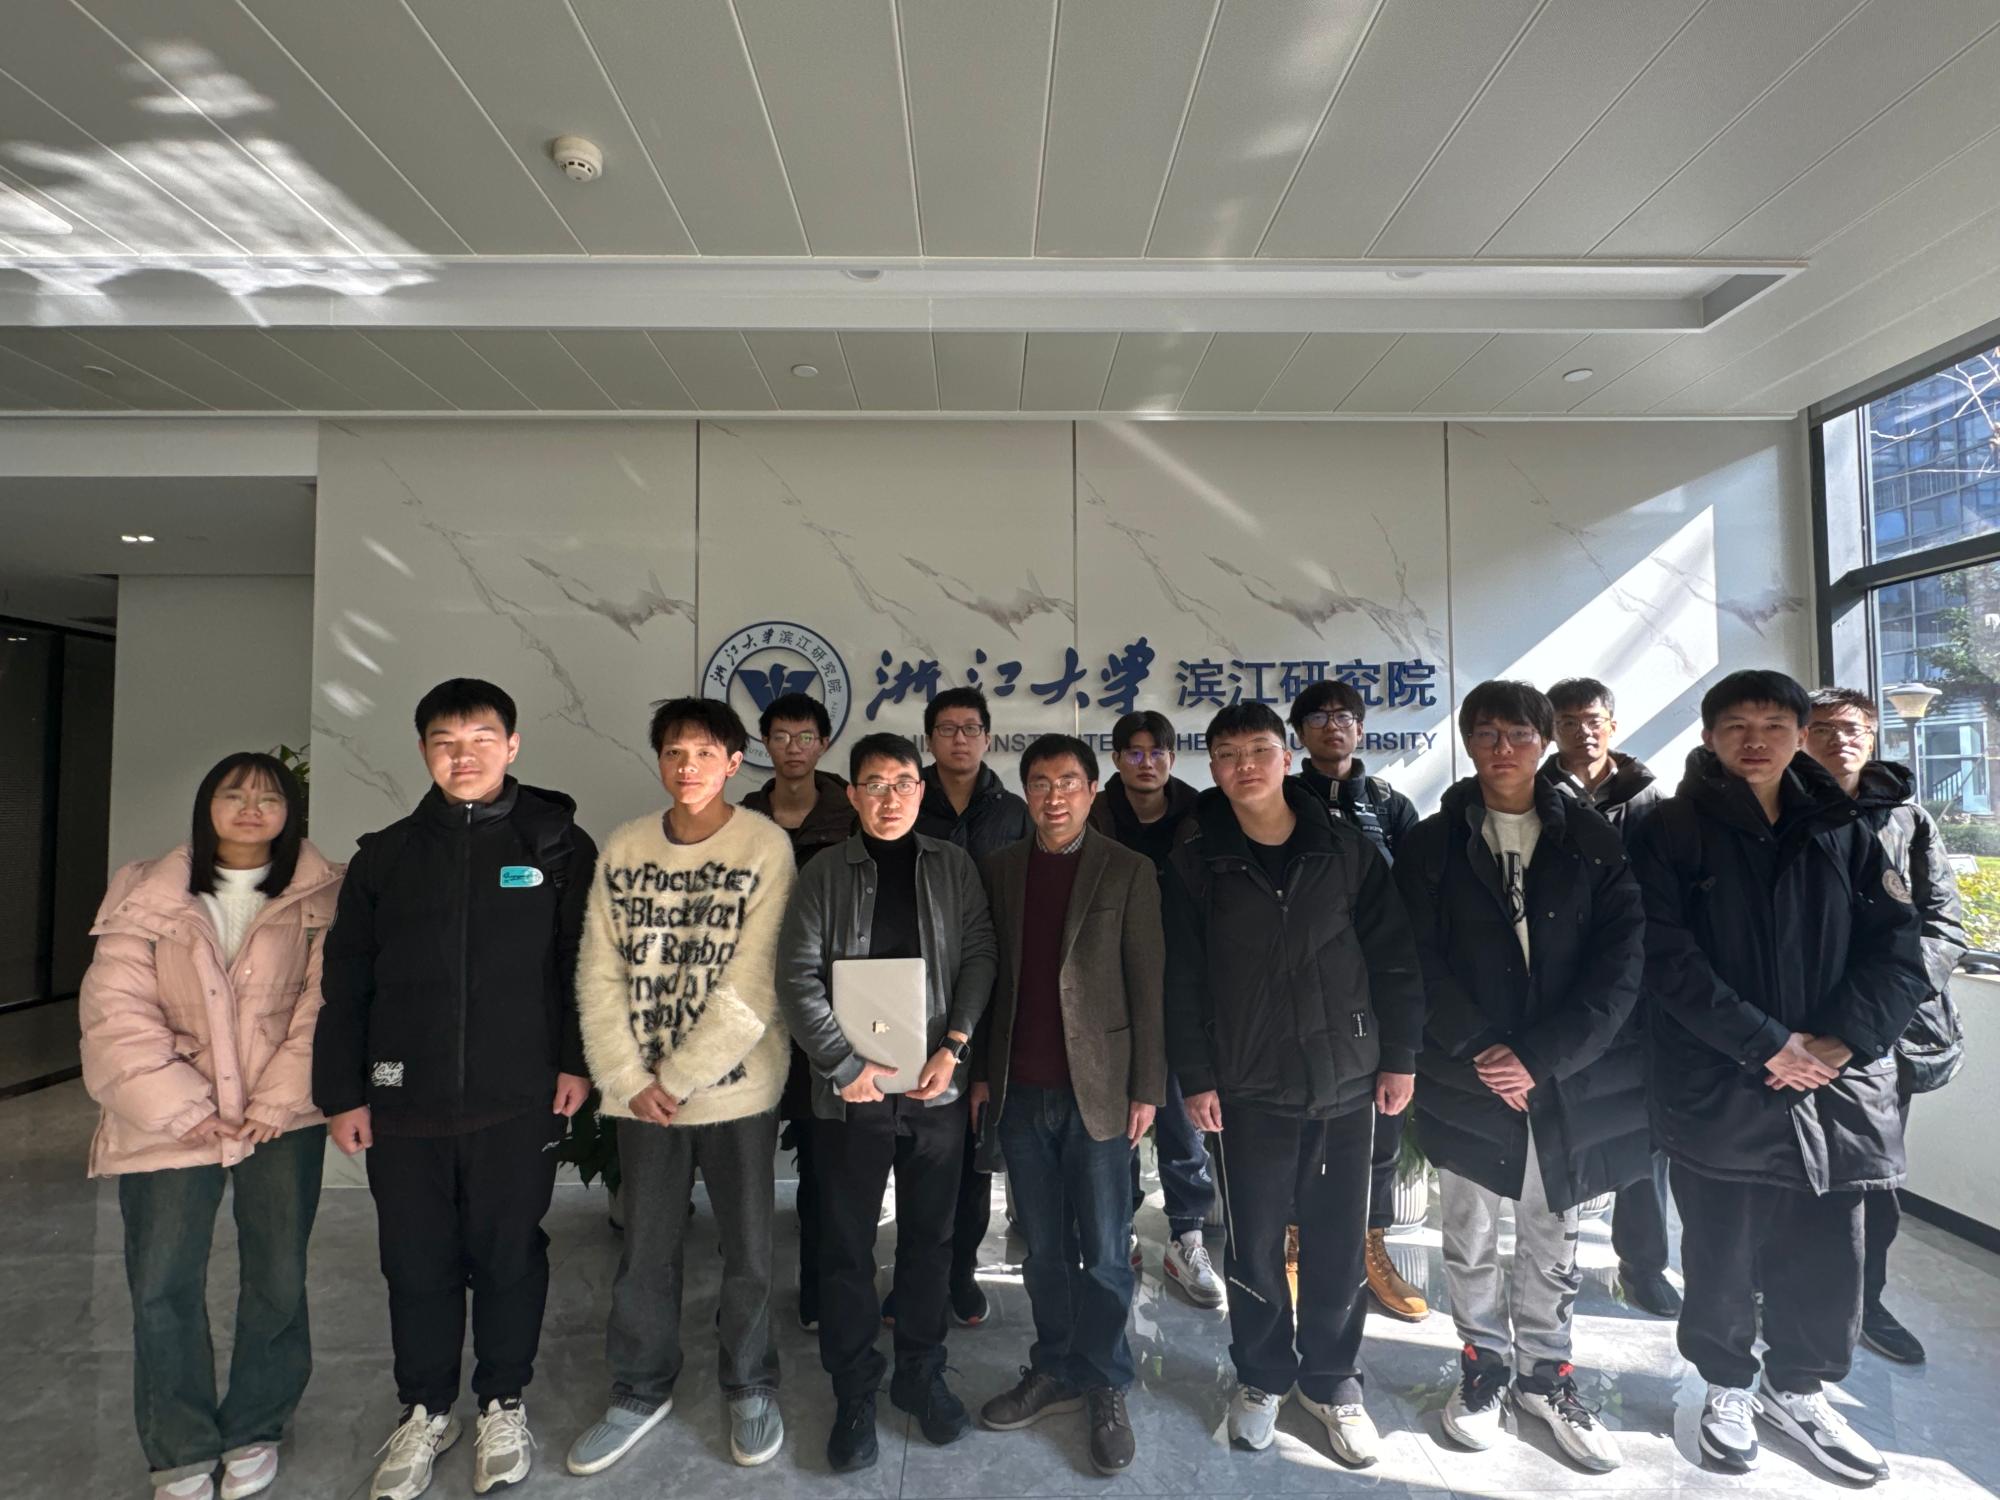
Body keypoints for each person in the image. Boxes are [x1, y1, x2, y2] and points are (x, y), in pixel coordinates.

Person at [1631, 669, 1927, 1485]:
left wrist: (1840, 1042)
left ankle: (1799, 1388)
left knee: (1832, 1249)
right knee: (1721, 1247)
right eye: (1736, 725)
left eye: (1773, 725)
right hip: (1724, 1078)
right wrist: (1765, 1043)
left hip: (1837, 1082)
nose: (1754, 740)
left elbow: (1898, 947)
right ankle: (1725, 1384)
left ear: (1800, 735)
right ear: (1709, 737)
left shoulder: (1845, 827)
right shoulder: (1669, 829)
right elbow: (1663, 955)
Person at [314, 679, 597, 1500]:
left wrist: (575, 1061)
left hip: (519, 1095)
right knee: (415, 1260)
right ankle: (426, 1408)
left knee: (509, 1254)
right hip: (403, 1094)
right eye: (445, 741)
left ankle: (503, 1400)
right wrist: (344, 1091)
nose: (463, 755)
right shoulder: (386, 856)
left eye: (481, 739)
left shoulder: (555, 845)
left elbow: (582, 962)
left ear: (512, 746)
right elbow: (348, 981)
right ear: (423, 752)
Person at [1163, 702, 1423, 1466]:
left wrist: (1400, 1056)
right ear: (1213, 768)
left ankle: (1333, 1382)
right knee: (1252, 1248)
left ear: (1285, 757)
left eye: (1259, 750)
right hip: (1247, 1085)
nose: (1244, 765)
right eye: (1227, 754)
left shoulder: (1343, 848)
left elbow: (1395, 956)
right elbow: (1182, 977)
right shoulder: (1196, 859)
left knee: (1340, 1245)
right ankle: (1262, 1376)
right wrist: (1196, 1076)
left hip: (1345, 1078)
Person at [1397, 682, 1644, 1474]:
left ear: (1546, 741)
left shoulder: (1595, 841)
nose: (1502, 748)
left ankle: (1545, 1375)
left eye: (1519, 733)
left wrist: (1542, 1056)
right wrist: (1481, 1047)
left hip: (1563, 1077)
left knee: (1552, 1232)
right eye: (1486, 733)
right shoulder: (1431, 844)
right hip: (1465, 1073)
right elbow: (1414, 958)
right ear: (1468, 742)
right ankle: (1483, 1367)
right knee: (1467, 1233)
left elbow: (1621, 964)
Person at [81, 754, 339, 1500]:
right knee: (162, 1282)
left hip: (279, 1117)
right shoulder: (143, 889)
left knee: (277, 1274)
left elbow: (326, 1006)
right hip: (166, 1119)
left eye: (269, 797)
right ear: (207, 805)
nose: (251, 807)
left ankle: (258, 1423)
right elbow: (115, 1011)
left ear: (291, 812)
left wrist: (277, 1100)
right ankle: (180, 1447)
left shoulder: (323, 891)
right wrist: (186, 1108)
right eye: (234, 793)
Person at [566, 698, 799, 1475]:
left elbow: (755, 981)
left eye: (704, 753)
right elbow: (599, 970)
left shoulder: (763, 844)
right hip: (643, 1099)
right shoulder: (626, 846)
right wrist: (626, 1078)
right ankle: (639, 1387)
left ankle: (751, 1382)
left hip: (735, 1091)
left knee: (749, 1250)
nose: (687, 766)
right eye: (673, 752)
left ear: (734, 762)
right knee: (646, 1248)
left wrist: (678, 1075)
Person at [776, 731, 999, 1473]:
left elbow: (980, 954)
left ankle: (920, 1373)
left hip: (936, 1088)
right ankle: (853, 1389)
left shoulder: (954, 866)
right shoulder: (821, 872)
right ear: (852, 794)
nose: (890, 798)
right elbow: (795, 975)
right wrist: (843, 1065)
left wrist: (954, 1045)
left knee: (930, 1240)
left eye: (903, 783)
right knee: (844, 1245)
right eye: (874, 785)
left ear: (920, 789)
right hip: (850, 1094)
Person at [971, 734, 1165, 1475]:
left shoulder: (1128, 869)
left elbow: (1148, 984)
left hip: (1102, 1091)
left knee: (1108, 1253)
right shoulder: (1000, 870)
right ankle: (1054, 1367)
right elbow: (987, 976)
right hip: (1022, 1091)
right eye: (1041, 783)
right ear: (1025, 793)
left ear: (1091, 791)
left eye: (1069, 782)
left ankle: (1106, 1379)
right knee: (1044, 1250)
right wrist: (982, 1075)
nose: (1055, 796)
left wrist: (1147, 1085)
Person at [1803, 686, 1967, 1367]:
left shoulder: (1907, 818)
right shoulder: (1774, 812)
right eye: (1823, 728)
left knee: (1872, 1183)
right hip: (1793, 1036)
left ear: (1871, 738)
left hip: (1882, 1037)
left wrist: (1861, 1024)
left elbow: (1943, 926)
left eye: (1852, 728)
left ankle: (1865, 1302)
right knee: (1783, 1175)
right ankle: (1771, 1293)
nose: (1839, 739)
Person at [1538, 676, 1679, 1319]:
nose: (1582, 731)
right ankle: (1553, 1261)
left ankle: (1642, 1264)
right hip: (1560, 989)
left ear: (1612, 726)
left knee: (1643, 1137)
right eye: (1567, 721)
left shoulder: (1652, 802)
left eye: (1593, 719)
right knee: (1559, 1129)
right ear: (1552, 731)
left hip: (1642, 991)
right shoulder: (1531, 795)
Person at [1288, 680, 1426, 1323]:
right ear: (1299, 735)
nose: (1332, 726)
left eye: (1343, 716)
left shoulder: (1392, 807)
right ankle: (1294, 1241)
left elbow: (1416, 902)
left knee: (1382, 1126)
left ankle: (1371, 1244)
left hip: (1376, 988)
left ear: (1361, 728)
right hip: (1301, 989)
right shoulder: (1284, 802)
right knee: (1299, 1121)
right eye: (1317, 718)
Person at [1087, 709, 1220, 1308]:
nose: (1147, 763)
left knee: (1181, 1123)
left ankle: (1187, 1237)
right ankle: (1119, 1227)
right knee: (1117, 1117)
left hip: (1182, 983)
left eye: (1158, 752)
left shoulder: (1202, 815)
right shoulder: (1094, 814)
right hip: (1109, 986)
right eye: (1134, 752)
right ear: (1116, 759)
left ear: (1172, 756)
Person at [913, 686, 1030, 1329]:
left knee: (975, 1145)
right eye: (947, 728)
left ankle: (960, 1273)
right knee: (920, 1146)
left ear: (987, 737)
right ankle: (916, 1274)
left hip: (992, 996)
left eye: (970, 728)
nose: (959, 739)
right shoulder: (906, 800)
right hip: (916, 996)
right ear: (929, 738)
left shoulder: (1012, 812)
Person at [739, 690, 856, 1336]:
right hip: (752, 1013)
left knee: (823, 1164)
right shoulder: (742, 819)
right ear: (765, 743)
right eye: (781, 736)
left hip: (824, 1010)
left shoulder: (850, 815)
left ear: (823, 744)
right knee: (745, 1166)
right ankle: (747, 1300)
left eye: (805, 736)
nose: (793, 748)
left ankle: (817, 1289)